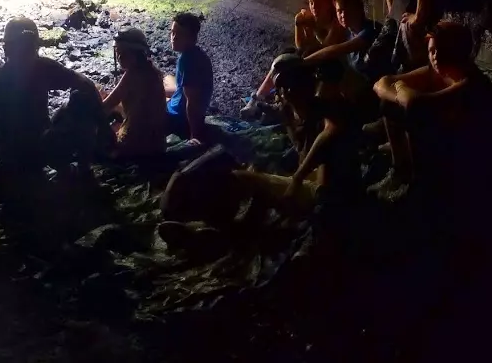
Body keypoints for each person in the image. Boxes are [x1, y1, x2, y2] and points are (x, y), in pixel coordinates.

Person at [161, 56, 363, 232]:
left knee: (244, 179)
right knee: (247, 174)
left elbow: (323, 154)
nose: (283, 93)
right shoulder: (296, 112)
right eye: (281, 87)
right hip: (312, 182)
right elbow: (301, 149)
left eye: (289, 86)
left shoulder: (329, 115)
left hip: (326, 194)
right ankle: (225, 228)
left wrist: (296, 181)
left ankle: (219, 233)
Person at [368, 21, 492, 205]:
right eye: (432, 51)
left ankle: (420, 186)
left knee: (417, 114)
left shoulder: (469, 83)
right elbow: (381, 83)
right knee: (390, 104)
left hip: (474, 154)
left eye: (444, 51)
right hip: (450, 136)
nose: (436, 57)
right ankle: (400, 170)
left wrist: (400, 88)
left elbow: (416, 103)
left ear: (459, 52)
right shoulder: (438, 71)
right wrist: (401, 93)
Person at [0, 17, 104, 191]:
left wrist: (103, 129)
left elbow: (84, 84)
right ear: (7, 50)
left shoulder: (41, 68)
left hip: (42, 145)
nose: (26, 54)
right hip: (19, 155)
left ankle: (80, 170)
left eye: (29, 48)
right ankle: (70, 172)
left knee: (80, 99)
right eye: (22, 48)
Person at [245, 0, 347, 114]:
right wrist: (298, 24)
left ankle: (286, 107)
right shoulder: (312, 18)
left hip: (331, 66)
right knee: (285, 56)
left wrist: (310, 30)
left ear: (329, 4)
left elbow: (323, 50)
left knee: (292, 63)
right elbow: (300, 45)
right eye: (311, 3)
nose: (314, 7)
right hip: (313, 59)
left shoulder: (336, 24)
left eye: (318, 3)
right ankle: (258, 97)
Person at [303, 0, 382, 102]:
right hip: (357, 85)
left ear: (359, 9)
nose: (343, 15)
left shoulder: (371, 30)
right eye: (339, 11)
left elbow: (335, 50)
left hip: (375, 88)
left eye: (347, 10)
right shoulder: (348, 31)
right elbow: (323, 46)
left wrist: (304, 61)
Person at [102, 28, 167, 157]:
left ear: (137, 53)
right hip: (158, 143)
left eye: (125, 53)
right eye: (118, 52)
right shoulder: (152, 71)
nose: (120, 57)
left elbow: (106, 107)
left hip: (136, 147)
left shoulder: (132, 76)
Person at [165, 12, 214, 141]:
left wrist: (195, 135)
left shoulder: (187, 61)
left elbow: (192, 102)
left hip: (177, 118)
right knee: (167, 78)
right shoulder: (196, 54)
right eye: (172, 33)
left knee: (130, 102)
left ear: (192, 38)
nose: (174, 38)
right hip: (179, 105)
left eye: (180, 34)